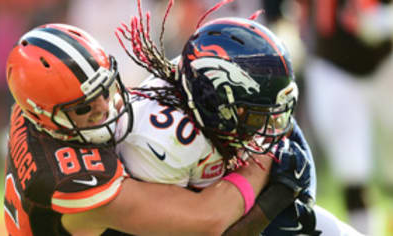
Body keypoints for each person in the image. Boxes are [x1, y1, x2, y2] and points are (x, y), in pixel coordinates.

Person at [3, 23, 310, 236]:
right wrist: (267, 162)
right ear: (44, 116)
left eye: (105, 90)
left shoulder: (40, 104)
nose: (104, 108)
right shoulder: (71, 178)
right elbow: (211, 221)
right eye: (84, 108)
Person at [114, 0, 366, 235]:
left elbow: (288, 140)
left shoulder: (200, 79)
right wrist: (271, 203)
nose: (265, 127)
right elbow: (200, 227)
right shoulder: (159, 138)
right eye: (255, 115)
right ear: (214, 99)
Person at [295, 0, 393, 234]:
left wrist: (385, 19)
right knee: (352, 168)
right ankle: (365, 232)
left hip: (385, 63)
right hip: (333, 66)